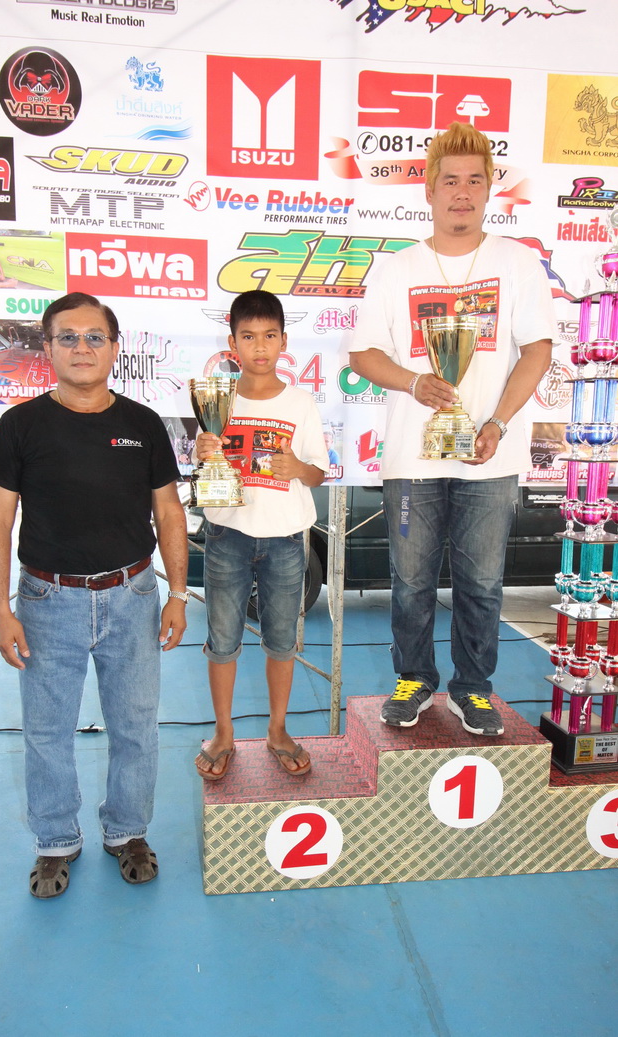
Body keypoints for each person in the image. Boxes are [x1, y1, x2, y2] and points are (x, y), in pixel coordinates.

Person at [350, 122, 557, 737]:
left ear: (489, 188)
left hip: (489, 458)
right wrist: (414, 382)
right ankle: (413, 679)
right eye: (449, 181)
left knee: (481, 583)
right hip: (412, 459)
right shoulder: (398, 269)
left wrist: (497, 422)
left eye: (473, 180)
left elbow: (538, 351)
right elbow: (362, 353)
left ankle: (474, 688)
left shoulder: (517, 263)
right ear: (429, 191)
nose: (461, 193)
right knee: (410, 581)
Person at [0, 291, 188, 898]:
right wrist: (1, 609)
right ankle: (54, 841)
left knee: (135, 728)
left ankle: (128, 831)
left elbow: (169, 513)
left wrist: (178, 594)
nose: (82, 347)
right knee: (47, 732)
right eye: (67, 337)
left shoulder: (144, 424)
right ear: (47, 349)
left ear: (115, 348)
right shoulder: (20, 425)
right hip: (47, 602)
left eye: (95, 336)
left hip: (133, 596)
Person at [194, 290, 329, 780]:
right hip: (226, 535)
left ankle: (277, 729)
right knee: (222, 641)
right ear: (232, 344)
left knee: (282, 642)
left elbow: (319, 473)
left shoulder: (301, 402)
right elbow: (205, 465)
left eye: (269, 336)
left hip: (286, 541)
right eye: (248, 337)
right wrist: (202, 451)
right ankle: (223, 733)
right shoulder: (218, 400)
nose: (259, 346)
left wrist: (298, 468)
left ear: (284, 342)